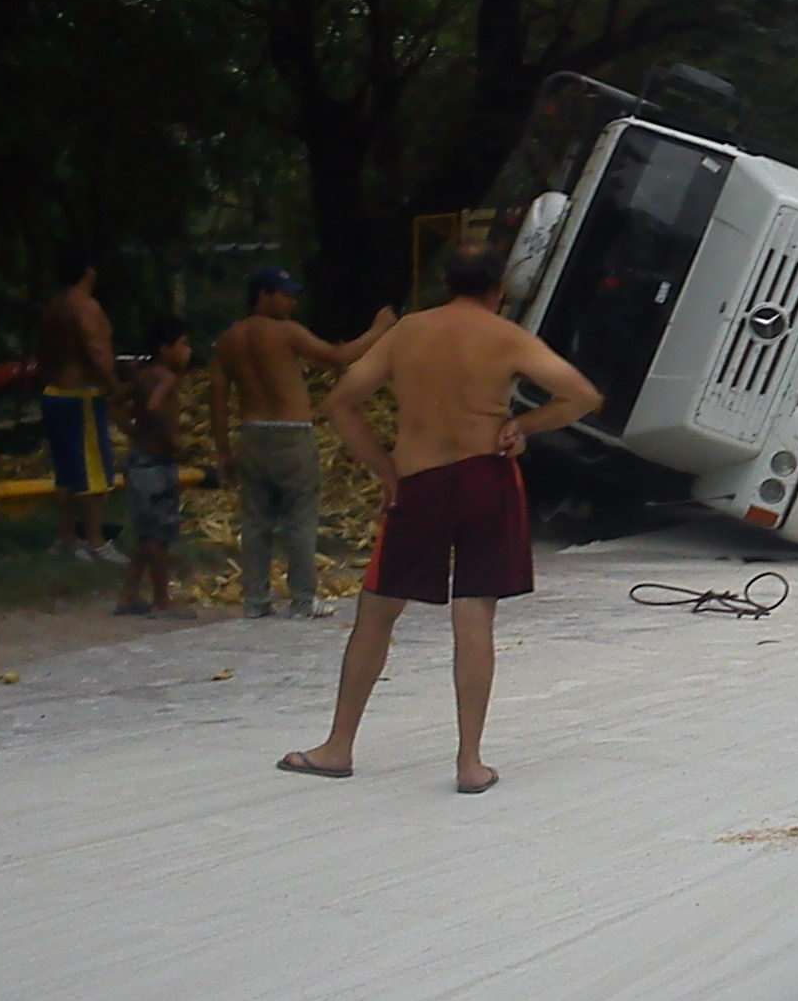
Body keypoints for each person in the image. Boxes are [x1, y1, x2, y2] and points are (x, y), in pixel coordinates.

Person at [279, 243, 599, 795]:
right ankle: (470, 762)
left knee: (377, 611)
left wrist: (385, 471)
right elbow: (582, 396)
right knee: (474, 614)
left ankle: (338, 746)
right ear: (498, 289)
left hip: (420, 481)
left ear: (446, 283)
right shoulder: (508, 337)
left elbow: (340, 402)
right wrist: (527, 425)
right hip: (487, 478)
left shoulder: (407, 332)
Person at [210, 267, 395, 619]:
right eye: (285, 294)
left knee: (255, 521)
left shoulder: (228, 340)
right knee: (300, 518)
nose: (292, 302)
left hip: (251, 434)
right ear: (263, 295)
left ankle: (255, 599)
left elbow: (217, 399)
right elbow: (338, 358)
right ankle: (302, 598)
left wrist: (222, 450)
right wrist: (379, 329)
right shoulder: (286, 333)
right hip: (291, 433)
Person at [38, 248, 127, 564]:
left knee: (65, 474)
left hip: (54, 393)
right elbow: (97, 352)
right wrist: (116, 389)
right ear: (89, 271)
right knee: (93, 474)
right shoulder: (86, 307)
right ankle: (95, 540)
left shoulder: (53, 308)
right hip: (81, 396)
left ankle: (66, 538)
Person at [117, 318, 197, 617]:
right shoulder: (166, 378)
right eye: (183, 345)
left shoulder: (144, 376)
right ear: (166, 349)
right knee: (157, 536)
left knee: (147, 532)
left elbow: (114, 402)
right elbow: (153, 407)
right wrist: (172, 438)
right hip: (155, 463)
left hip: (142, 458)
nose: (188, 351)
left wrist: (132, 430)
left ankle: (128, 594)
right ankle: (162, 600)